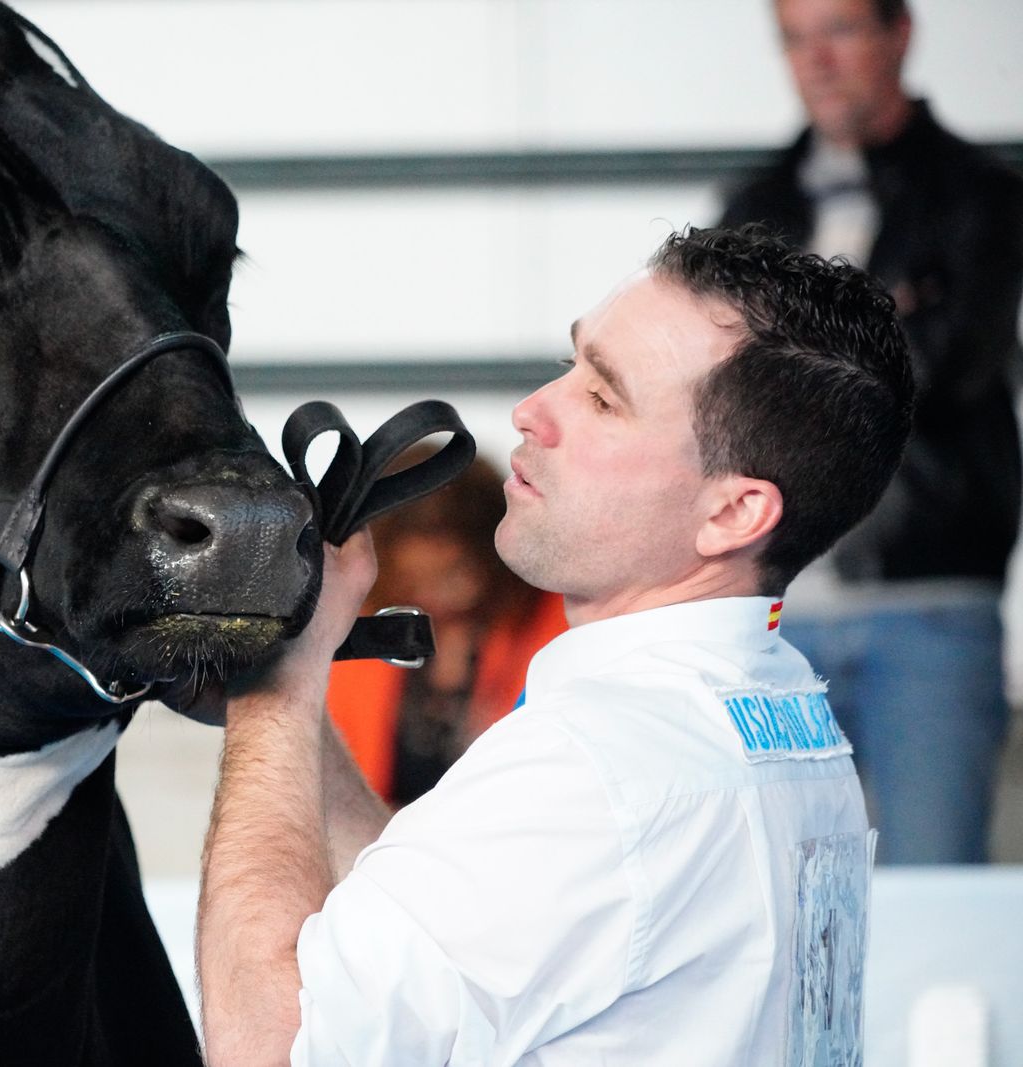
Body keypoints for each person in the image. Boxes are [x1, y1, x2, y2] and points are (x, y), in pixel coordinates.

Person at [196, 225, 914, 1065]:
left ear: (733, 513)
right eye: (575, 362)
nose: (534, 410)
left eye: (605, 398)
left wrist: (271, 691)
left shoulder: (599, 770)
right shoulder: (776, 710)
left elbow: (268, 1044)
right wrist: (301, 695)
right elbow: (438, 931)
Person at [719, 0, 1023, 864]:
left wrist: (791, 352)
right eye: (794, 37)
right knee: (769, 904)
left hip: (930, 600)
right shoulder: (756, 201)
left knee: (935, 892)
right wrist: (888, 308)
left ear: (900, 34)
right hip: (774, 612)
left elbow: (948, 364)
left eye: (841, 30)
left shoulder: (979, 194)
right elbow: (725, 389)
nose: (816, 59)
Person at [326, 450, 566, 807]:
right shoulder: (356, 635)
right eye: (415, 581)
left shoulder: (559, 624)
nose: (442, 595)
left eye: (460, 568)